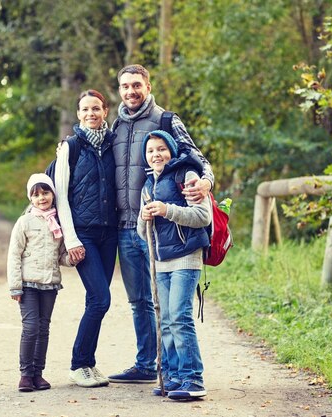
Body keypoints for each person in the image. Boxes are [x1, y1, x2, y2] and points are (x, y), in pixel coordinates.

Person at [108, 64, 215, 383]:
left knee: (169, 307)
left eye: (136, 85)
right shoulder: (116, 126)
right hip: (128, 226)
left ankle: (181, 371)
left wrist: (207, 181)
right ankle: (148, 365)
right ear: (120, 90)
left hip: (162, 228)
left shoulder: (167, 120)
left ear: (148, 86)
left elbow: (198, 158)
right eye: (125, 86)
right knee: (139, 301)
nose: (131, 91)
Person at [137, 130, 211, 399]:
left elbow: (202, 216)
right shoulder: (147, 185)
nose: (156, 155)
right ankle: (172, 377)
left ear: (171, 150)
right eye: (150, 151)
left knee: (180, 317)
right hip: (161, 261)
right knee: (166, 320)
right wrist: (144, 216)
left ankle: (193, 378)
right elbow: (141, 232)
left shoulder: (187, 175)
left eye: (161, 149)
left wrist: (167, 210)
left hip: (186, 256)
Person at [55, 89, 118, 388]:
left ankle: (88, 364)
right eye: (85, 109)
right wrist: (72, 240)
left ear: (105, 111)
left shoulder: (113, 144)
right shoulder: (70, 146)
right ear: (78, 114)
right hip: (84, 234)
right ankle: (79, 364)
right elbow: (61, 198)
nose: (90, 113)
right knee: (101, 299)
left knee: (97, 300)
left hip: (110, 234)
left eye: (96, 108)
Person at [7, 173, 73, 392]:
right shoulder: (25, 222)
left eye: (45, 193)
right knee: (31, 327)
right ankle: (25, 374)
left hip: (50, 284)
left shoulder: (60, 223)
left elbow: (61, 255)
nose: (41, 198)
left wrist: (71, 258)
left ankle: (38, 374)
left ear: (53, 194)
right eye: (36, 195)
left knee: (43, 328)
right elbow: (14, 255)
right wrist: (15, 286)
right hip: (28, 284)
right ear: (30, 198)